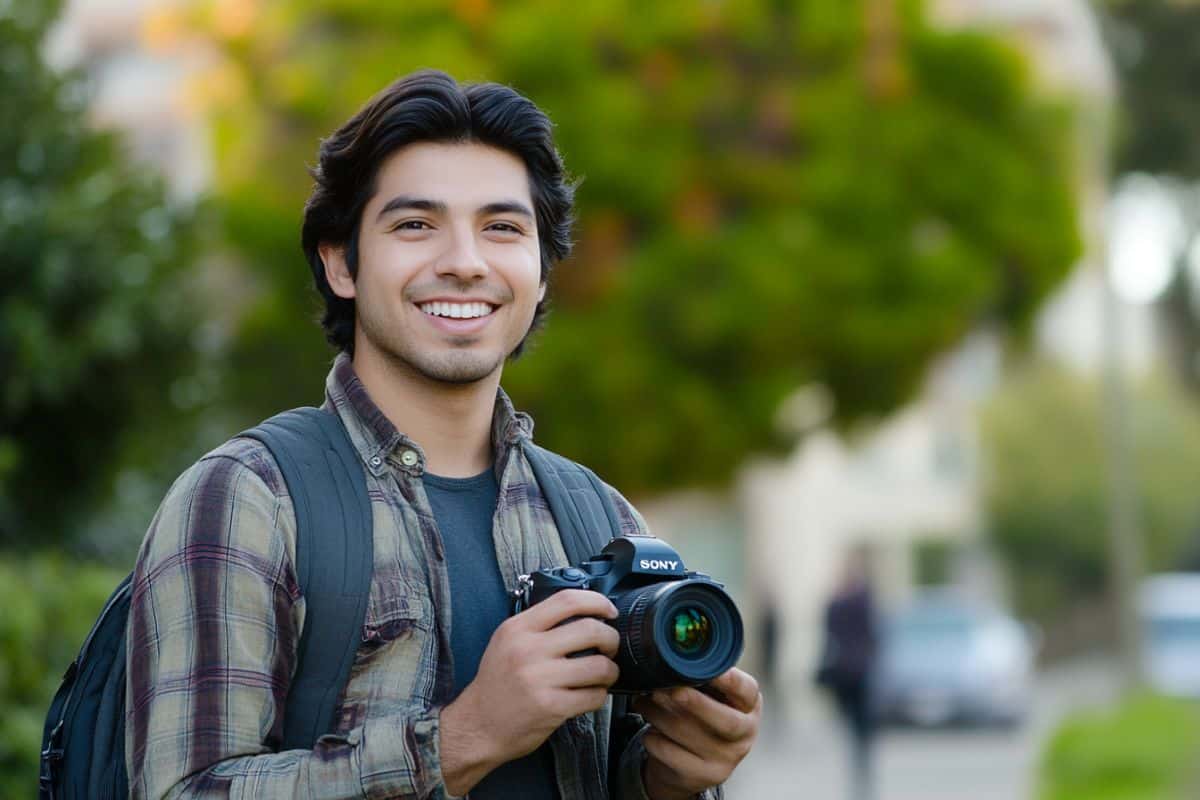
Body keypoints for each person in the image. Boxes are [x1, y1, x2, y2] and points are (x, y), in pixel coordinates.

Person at [124, 69, 760, 799]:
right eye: (415, 225)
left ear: (542, 271)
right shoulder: (249, 499)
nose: (465, 262)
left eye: (502, 227)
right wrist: (467, 737)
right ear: (340, 262)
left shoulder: (602, 520)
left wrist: (673, 780)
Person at [815, 550, 878, 800]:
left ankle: (860, 768)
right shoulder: (863, 599)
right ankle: (861, 769)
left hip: (847, 670)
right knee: (860, 728)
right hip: (857, 671)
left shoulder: (838, 602)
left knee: (854, 725)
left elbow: (828, 634)